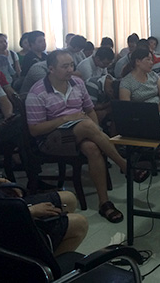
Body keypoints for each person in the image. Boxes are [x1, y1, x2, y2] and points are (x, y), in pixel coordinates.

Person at [25, 50, 149, 223]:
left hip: (79, 130)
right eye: (65, 66)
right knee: (86, 125)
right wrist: (65, 119)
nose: (70, 70)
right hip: (50, 139)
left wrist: (96, 132)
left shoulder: (77, 83)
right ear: (51, 69)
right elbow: (35, 130)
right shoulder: (37, 92)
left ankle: (104, 203)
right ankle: (124, 165)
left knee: (92, 147)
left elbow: (90, 110)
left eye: (71, 65)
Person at [0, 98, 88, 256]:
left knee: (69, 199)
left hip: (3, 203)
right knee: (79, 224)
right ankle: (41, 267)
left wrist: (1, 181)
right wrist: (30, 211)